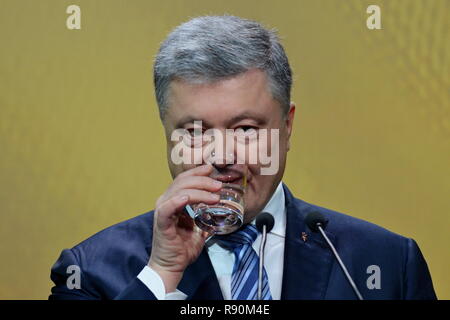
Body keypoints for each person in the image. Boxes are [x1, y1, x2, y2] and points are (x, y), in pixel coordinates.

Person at [49, 15, 436, 300]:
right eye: (196, 132)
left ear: (287, 127)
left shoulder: (384, 265)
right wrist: (162, 274)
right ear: (167, 134)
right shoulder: (88, 272)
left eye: (246, 130)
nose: (222, 156)